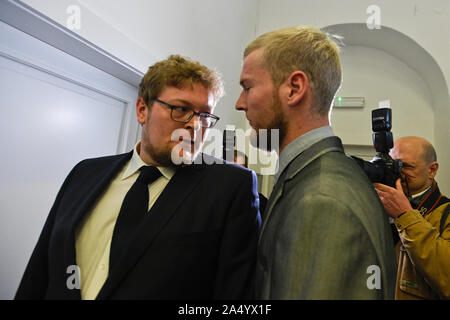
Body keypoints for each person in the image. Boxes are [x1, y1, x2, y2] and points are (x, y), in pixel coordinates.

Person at [15, 55, 261, 300]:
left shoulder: (229, 187)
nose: (195, 125)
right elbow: (39, 272)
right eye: (181, 109)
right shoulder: (85, 173)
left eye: (205, 116)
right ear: (143, 110)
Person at [235, 26, 396, 299]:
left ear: (294, 88)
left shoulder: (322, 200)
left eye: (248, 87)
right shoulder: (307, 177)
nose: (240, 104)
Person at [374, 136, 450, 299]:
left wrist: (405, 215)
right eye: (393, 165)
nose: (397, 172)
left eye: (405, 166)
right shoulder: (379, 204)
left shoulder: (445, 214)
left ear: (432, 170)